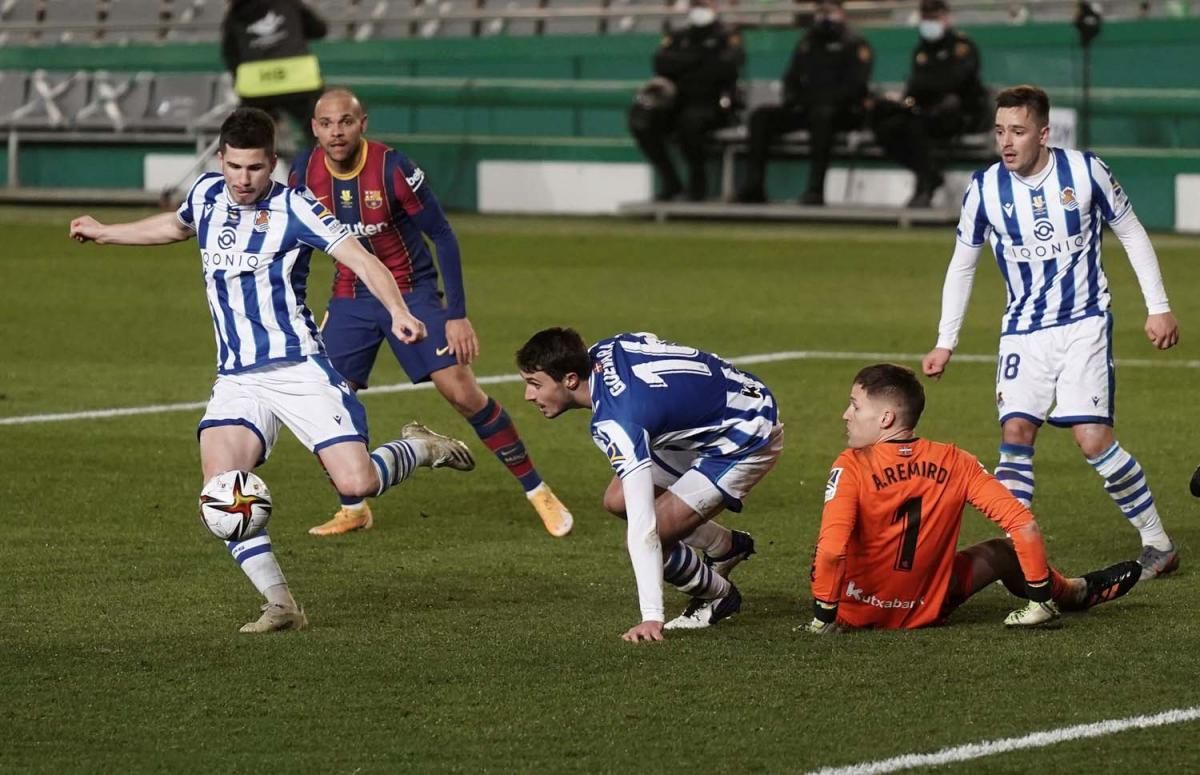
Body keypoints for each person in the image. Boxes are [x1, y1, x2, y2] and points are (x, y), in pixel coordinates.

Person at [69, 107, 474, 633]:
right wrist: (106, 232)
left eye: (255, 169)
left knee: (358, 482)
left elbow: (363, 259)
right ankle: (281, 604)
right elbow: (175, 225)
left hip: (299, 369)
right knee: (220, 491)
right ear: (221, 161)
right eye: (235, 167)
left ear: (272, 164)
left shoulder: (296, 208)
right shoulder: (207, 195)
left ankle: (422, 446)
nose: (243, 180)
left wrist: (400, 311)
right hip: (238, 378)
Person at [922, 85, 1180, 581]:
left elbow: (1130, 232)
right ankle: (1019, 554)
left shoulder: (1085, 172)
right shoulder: (985, 188)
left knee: (1092, 440)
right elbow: (962, 264)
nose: (1007, 142)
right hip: (1021, 331)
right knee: (1015, 434)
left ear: (1043, 132)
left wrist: (1159, 307)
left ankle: (1157, 542)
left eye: (1017, 131)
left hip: (1083, 322)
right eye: (999, 131)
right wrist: (945, 339)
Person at [290, 88, 574, 538]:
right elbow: (298, 241)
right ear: (314, 128)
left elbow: (442, 235)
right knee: (323, 402)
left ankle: (538, 491)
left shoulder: (392, 168)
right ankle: (354, 506)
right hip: (350, 297)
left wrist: (456, 313)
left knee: (462, 393)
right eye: (326, 123)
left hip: (412, 292)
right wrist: (300, 306)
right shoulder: (303, 172)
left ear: (363, 123)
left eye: (345, 121)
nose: (336, 132)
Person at [801, 363, 1141, 634]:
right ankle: (1071, 593)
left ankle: (828, 616)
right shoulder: (955, 461)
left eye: (855, 405)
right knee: (1001, 550)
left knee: (827, 543)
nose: (846, 414)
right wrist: (1038, 601)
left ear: (886, 418)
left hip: (855, 611)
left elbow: (832, 551)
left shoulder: (852, 465)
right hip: (925, 608)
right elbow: (1022, 525)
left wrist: (823, 618)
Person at [517, 329, 781, 643]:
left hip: (745, 435)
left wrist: (651, 616)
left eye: (535, 384)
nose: (528, 396)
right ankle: (724, 546)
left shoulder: (616, 422)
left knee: (653, 535)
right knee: (617, 500)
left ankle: (718, 596)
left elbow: (645, 526)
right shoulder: (607, 346)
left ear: (571, 380)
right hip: (730, 401)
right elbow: (650, 341)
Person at [735, 0, 872, 205]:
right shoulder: (807, 42)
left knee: (823, 116)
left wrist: (823, 101)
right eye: (821, 11)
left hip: (841, 112)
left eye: (830, 11)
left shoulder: (855, 44)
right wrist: (795, 100)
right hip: (807, 108)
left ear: (841, 13)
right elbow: (791, 78)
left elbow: (855, 87)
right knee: (761, 117)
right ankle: (754, 186)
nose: (825, 16)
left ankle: (815, 190)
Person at [870, 0, 988, 207]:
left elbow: (957, 82)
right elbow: (916, 87)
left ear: (946, 18)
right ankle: (930, 174)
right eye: (926, 18)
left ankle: (924, 186)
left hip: (959, 115)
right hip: (925, 112)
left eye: (934, 18)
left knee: (918, 124)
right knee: (886, 125)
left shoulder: (962, 47)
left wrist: (926, 88)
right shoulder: (921, 51)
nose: (930, 23)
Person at [628, 0, 744, 202]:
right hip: (676, 102)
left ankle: (697, 186)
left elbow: (725, 68)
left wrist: (685, 62)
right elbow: (661, 62)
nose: (698, 8)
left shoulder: (727, 36)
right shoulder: (679, 35)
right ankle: (671, 181)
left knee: (690, 124)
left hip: (711, 104)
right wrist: (700, 58)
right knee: (642, 119)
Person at [222, 0, 328, 139]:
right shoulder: (289, 3)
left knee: (250, 139)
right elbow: (319, 30)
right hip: (299, 83)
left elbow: (230, 55)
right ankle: (322, 158)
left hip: (256, 90)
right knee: (321, 132)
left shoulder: (234, 15)